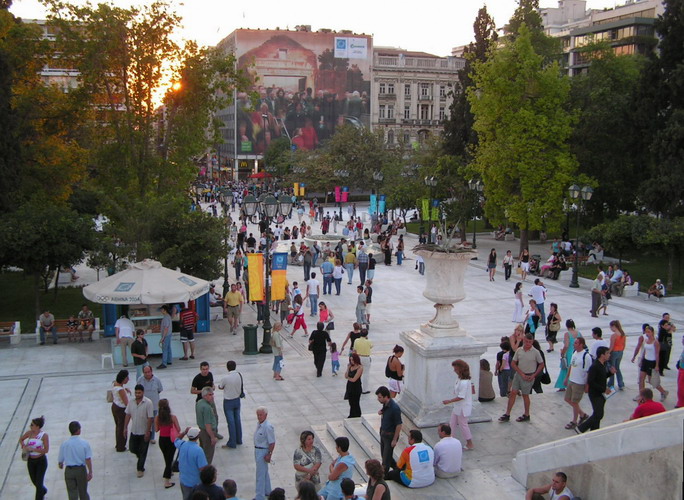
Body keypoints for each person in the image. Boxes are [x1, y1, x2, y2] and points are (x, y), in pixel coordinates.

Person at [499, 334, 545, 422]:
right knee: (513, 393)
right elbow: (513, 363)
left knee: (525, 395)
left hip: (529, 376)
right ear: (523, 341)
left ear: (532, 342)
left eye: (530, 342)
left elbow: (541, 364)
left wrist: (534, 375)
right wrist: (520, 373)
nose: (528, 344)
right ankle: (507, 414)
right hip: (519, 375)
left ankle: (526, 414)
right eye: (526, 341)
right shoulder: (519, 350)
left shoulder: (536, 352)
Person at [577, 346, 613, 433]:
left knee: (598, 414)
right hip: (595, 394)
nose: (609, 355)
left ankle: (594, 431)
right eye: (607, 353)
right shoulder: (595, 366)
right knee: (598, 414)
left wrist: (610, 373)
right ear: (602, 355)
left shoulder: (602, 364)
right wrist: (603, 389)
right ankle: (581, 428)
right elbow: (591, 381)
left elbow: (602, 377)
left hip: (601, 393)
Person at [443, 359, 474, 450]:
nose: (454, 371)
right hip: (458, 406)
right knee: (452, 423)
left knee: (463, 425)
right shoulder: (460, 379)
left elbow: (461, 397)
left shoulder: (464, 382)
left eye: (456, 369)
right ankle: (449, 440)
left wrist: (449, 401)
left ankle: (470, 443)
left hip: (463, 407)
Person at [124, 384, 154, 477]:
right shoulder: (131, 402)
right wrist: (125, 428)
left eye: (139, 393)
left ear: (143, 393)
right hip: (134, 431)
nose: (137, 394)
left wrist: (148, 431)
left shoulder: (148, 403)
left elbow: (150, 418)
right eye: (136, 392)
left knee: (143, 451)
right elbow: (128, 414)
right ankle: (139, 456)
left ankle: (140, 469)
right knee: (132, 448)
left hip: (144, 431)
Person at [631, 325, 668, 401]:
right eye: (646, 332)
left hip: (652, 362)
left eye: (649, 332)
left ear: (652, 332)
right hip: (645, 361)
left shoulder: (655, 342)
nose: (647, 333)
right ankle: (641, 395)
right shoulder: (646, 340)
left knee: (652, 381)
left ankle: (663, 392)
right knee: (641, 378)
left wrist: (657, 365)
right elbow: (645, 350)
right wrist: (642, 360)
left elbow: (657, 354)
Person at [57, 421, 93, 500]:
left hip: (69, 470)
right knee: (83, 492)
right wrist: (90, 472)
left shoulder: (65, 444)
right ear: (79, 430)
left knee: (72, 493)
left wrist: (60, 464)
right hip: (80, 470)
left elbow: (60, 461)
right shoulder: (84, 443)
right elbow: (88, 459)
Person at [562, 336, 591, 430]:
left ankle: (574, 421)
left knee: (575, 402)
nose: (574, 344)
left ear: (581, 344)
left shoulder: (586, 356)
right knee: (567, 398)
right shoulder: (575, 353)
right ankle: (582, 414)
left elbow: (588, 372)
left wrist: (587, 385)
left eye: (576, 343)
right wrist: (567, 378)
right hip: (572, 380)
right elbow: (571, 366)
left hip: (579, 382)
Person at [19, 415, 49, 500]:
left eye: (32, 425)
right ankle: (43, 490)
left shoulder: (44, 435)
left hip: (41, 461)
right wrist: (23, 445)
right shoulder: (29, 433)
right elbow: (21, 439)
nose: (30, 426)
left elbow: (46, 450)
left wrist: (34, 449)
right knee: (34, 481)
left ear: (37, 426)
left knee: (39, 483)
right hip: (31, 461)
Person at [175, 427, 208, 500]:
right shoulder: (198, 450)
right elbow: (202, 468)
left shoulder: (182, 444)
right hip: (195, 482)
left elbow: (176, 439)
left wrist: (184, 432)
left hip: (183, 480)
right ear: (197, 436)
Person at [376, 385, 402, 474]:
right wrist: (381, 411)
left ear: (386, 397)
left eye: (379, 397)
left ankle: (384, 476)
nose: (378, 399)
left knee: (385, 461)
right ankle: (398, 468)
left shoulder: (395, 408)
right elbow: (384, 410)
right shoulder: (385, 404)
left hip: (390, 435)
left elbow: (399, 424)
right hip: (383, 433)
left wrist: (394, 439)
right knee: (386, 456)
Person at [217, 360, 243, 449]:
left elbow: (220, 387)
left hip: (228, 401)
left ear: (227, 368)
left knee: (231, 422)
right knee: (237, 420)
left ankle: (232, 442)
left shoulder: (225, 378)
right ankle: (239, 439)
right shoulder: (239, 375)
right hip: (237, 400)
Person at [155, 398, 180, 489]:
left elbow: (156, 429)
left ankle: (169, 471)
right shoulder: (172, 417)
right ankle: (167, 480)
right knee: (170, 458)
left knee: (166, 457)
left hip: (162, 440)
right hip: (171, 440)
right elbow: (178, 428)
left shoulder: (158, 418)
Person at [254, 406, 276, 500]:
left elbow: (272, 442)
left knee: (260, 474)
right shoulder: (259, 424)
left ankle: (259, 496)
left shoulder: (267, 427)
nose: (259, 417)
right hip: (257, 450)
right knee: (264, 472)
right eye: (258, 415)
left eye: (261, 415)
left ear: (266, 415)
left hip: (263, 451)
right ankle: (267, 491)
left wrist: (269, 454)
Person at [136, 365, 163, 443]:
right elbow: (138, 391)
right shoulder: (140, 380)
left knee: (153, 421)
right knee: (144, 421)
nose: (147, 374)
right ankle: (144, 436)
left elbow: (159, 390)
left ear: (151, 371)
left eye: (149, 372)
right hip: (143, 405)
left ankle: (152, 437)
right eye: (145, 372)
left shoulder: (157, 380)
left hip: (154, 405)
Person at [555, 320, 581, 392]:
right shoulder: (578, 333)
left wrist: (562, 353)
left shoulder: (567, 334)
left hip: (569, 353)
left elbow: (566, 345)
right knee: (575, 369)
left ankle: (562, 385)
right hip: (577, 352)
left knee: (565, 369)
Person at [196, 387, 219, 464]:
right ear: (204, 396)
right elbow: (207, 425)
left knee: (202, 450)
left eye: (212, 394)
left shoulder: (199, 403)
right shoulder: (207, 408)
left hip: (201, 430)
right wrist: (212, 437)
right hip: (207, 432)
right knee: (208, 454)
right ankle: (206, 472)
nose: (212, 396)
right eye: (210, 395)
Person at [111, 369, 130, 452]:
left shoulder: (114, 383)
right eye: (127, 378)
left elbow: (117, 389)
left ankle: (118, 444)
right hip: (121, 409)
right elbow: (126, 403)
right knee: (122, 428)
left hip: (114, 406)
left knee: (118, 427)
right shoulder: (121, 390)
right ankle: (121, 447)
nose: (128, 379)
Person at [607, 320, 627, 390]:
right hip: (620, 352)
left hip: (614, 352)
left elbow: (611, 346)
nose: (611, 329)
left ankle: (611, 383)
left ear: (614, 326)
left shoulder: (614, 336)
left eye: (611, 327)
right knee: (617, 368)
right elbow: (624, 344)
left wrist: (608, 353)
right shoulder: (623, 334)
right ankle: (621, 384)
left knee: (612, 368)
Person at [345, 353, 364, 418]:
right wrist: (348, 368)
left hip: (356, 387)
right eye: (350, 360)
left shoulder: (360, 367)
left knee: (355, 402)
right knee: (351, 402)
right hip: (350, 386)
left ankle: (357, 414)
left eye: (353, 360)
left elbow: (354, 379)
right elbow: (346, 375)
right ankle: (352, 414)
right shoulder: (350, 366)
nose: (351, 361)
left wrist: (348, 378)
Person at [157, 304, 173, 369]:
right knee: (168, 348)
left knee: (165, 349)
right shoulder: (168, 316)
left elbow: (166, 328)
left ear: (164, 310)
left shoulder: (166, 317)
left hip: (166, 335)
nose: (161, 311)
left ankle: (164, 363)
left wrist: (162, 338)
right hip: (169, 334)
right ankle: (169, 360)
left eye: (162, 309)